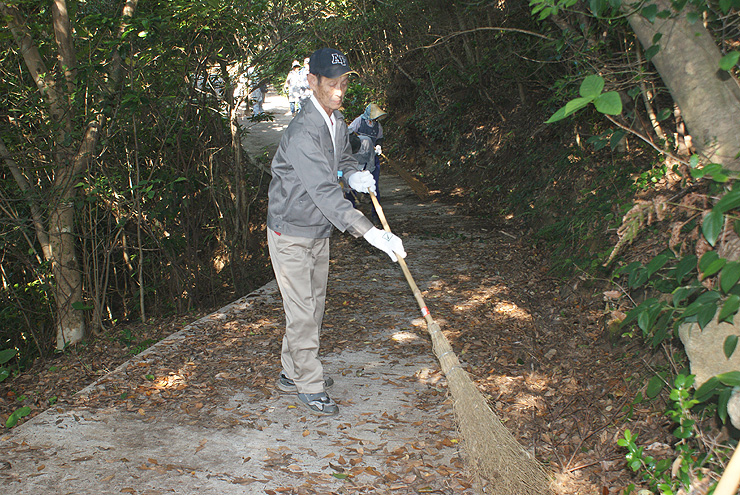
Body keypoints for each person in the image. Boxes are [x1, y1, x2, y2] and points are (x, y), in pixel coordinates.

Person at [267, 48, 406, 417]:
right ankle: (309, 385)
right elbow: (325, 193)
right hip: (290, 232)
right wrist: (371, 233)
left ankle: (289, 371)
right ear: (311, 81)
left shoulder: (336, 120)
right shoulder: (301, 133)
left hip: (318, 230)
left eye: (344, 83)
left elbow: (340, 161)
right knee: (302, 312)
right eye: (332, 84)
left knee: (312, 306)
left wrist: (351, 173)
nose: (339, 91)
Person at [349, 103, 387, 221]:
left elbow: (380, 137)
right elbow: (348, 133)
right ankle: (354, 212)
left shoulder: (377, 126)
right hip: (358, 154)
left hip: (371, 155)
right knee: (351, 184)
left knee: (374, 185)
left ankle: (376, 214)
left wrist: (378, 146)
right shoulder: (359, 121)